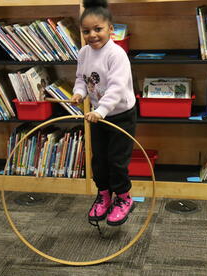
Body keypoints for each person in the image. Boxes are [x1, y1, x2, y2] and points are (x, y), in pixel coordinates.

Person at [71, 0, 136, 226]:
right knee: (99, 160)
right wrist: (79, 94)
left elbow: (117, 88)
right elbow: (81, 79)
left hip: (119, 115)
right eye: (86, 31)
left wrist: (101, 111)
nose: (92, 35)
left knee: (117, 161)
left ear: (111, 29)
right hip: (98, 115)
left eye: (98, 29)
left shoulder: (116, 55)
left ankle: (124, 199)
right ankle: (104, 195)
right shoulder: (83, 53)